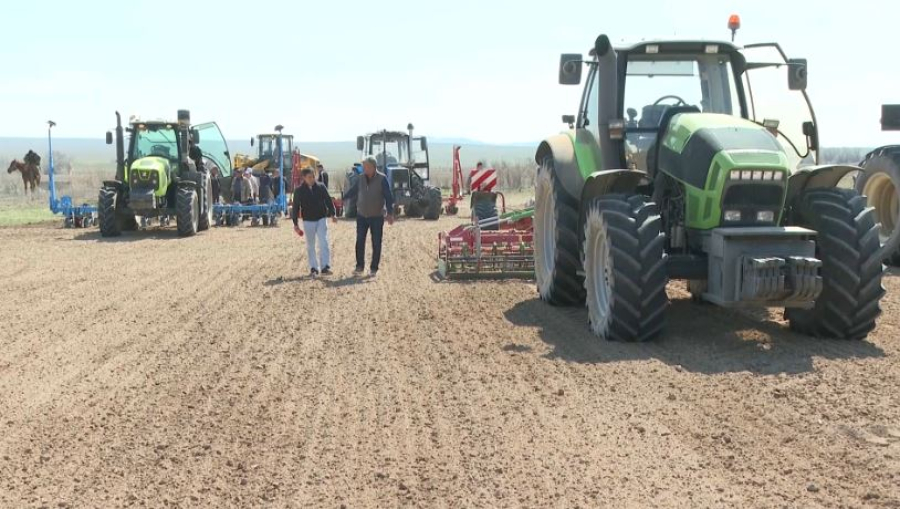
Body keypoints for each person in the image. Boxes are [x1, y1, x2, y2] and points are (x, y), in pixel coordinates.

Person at [342, 156, 394, 276]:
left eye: (366, 166)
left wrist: (390, 213)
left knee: (376, 242)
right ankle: (359, 266)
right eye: (364, 166)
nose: (364, 168)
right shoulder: (360, 178)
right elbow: (354, 190)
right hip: (361, 216)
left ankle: (374, 268)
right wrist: (344, 198)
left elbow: (388, 197)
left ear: (373, 167)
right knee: (360, 241)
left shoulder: (382, 178)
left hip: (376, 216)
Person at [293, 168, 337, 276]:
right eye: (309, 177)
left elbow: (328, 200)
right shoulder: (299, 191)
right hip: (308, 220)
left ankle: (325, 266)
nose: (312, 179)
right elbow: (295, 208)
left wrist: (333, 213)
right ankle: (313, 267)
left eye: (313, 176)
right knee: (311, 244)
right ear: (304, 178)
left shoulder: (321, 187)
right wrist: (295, 224)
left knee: (324, 242)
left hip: (321, 218)